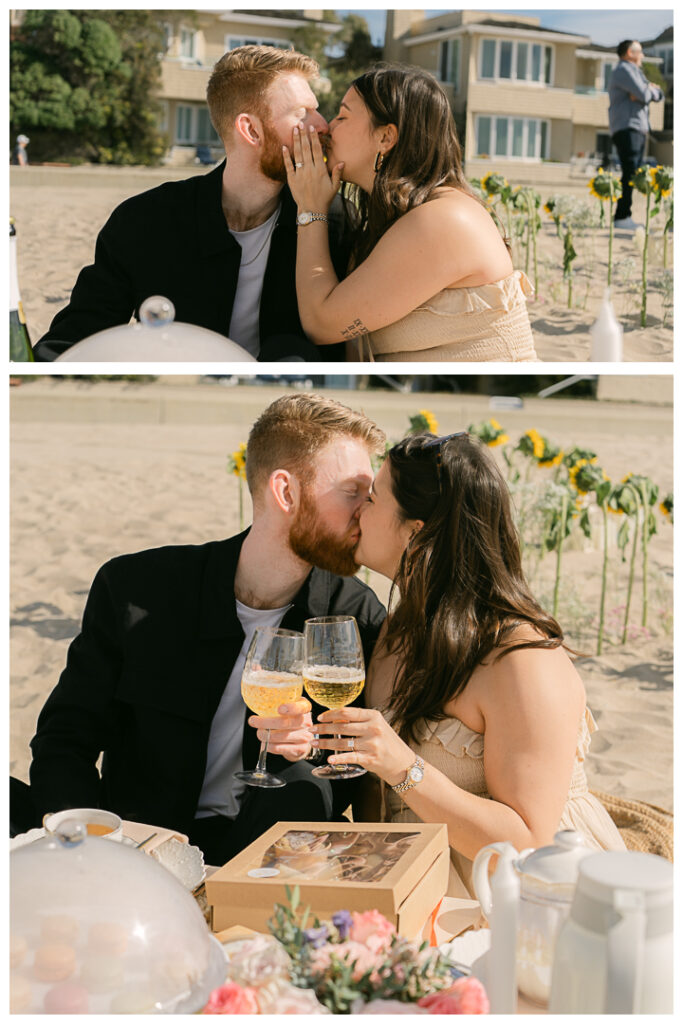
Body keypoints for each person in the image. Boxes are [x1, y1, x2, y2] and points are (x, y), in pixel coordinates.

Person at [13, 394, 387, 867]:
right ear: (286, 493)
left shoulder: (355, 616)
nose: (365, 512)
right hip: (132, 846)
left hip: (256, 861)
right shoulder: (136, 587)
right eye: (353, 492)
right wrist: (92, 850)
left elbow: (355, 774)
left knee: (301, 787)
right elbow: (64, 740)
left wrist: (311, 745)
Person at [297, 433, 624, 925]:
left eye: (374, 497)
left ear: (416, 533)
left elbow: (529, 840)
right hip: (410, 875)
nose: (359, 510)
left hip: (519, 899)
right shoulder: (399, 628)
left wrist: (403, 766)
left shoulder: (520, 659)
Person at [33, 46, 352, 362]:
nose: (323, 125)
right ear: (251, 130)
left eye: (317, 109)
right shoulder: (145, 221)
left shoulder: (331, 219)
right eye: (302, 113)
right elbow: (74, 341)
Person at [283, 65, 537, 362]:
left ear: (385, 138)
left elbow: (321, 324)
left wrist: (311, 210)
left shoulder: (444, 220)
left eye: (343, 116)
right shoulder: (398, 217)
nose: (328, 126)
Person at [608, 40, 664, 231]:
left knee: (633, 171)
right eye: (640, 51)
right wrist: (648, 91)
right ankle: (622, 216)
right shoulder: (624, 70)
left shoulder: (634, 72)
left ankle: (625, 215)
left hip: (636, 127)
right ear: (629, 53)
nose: (642, 55)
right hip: (628, 127)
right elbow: (645, 94)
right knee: (629, 172)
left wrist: (650, 91)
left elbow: (656, 94)